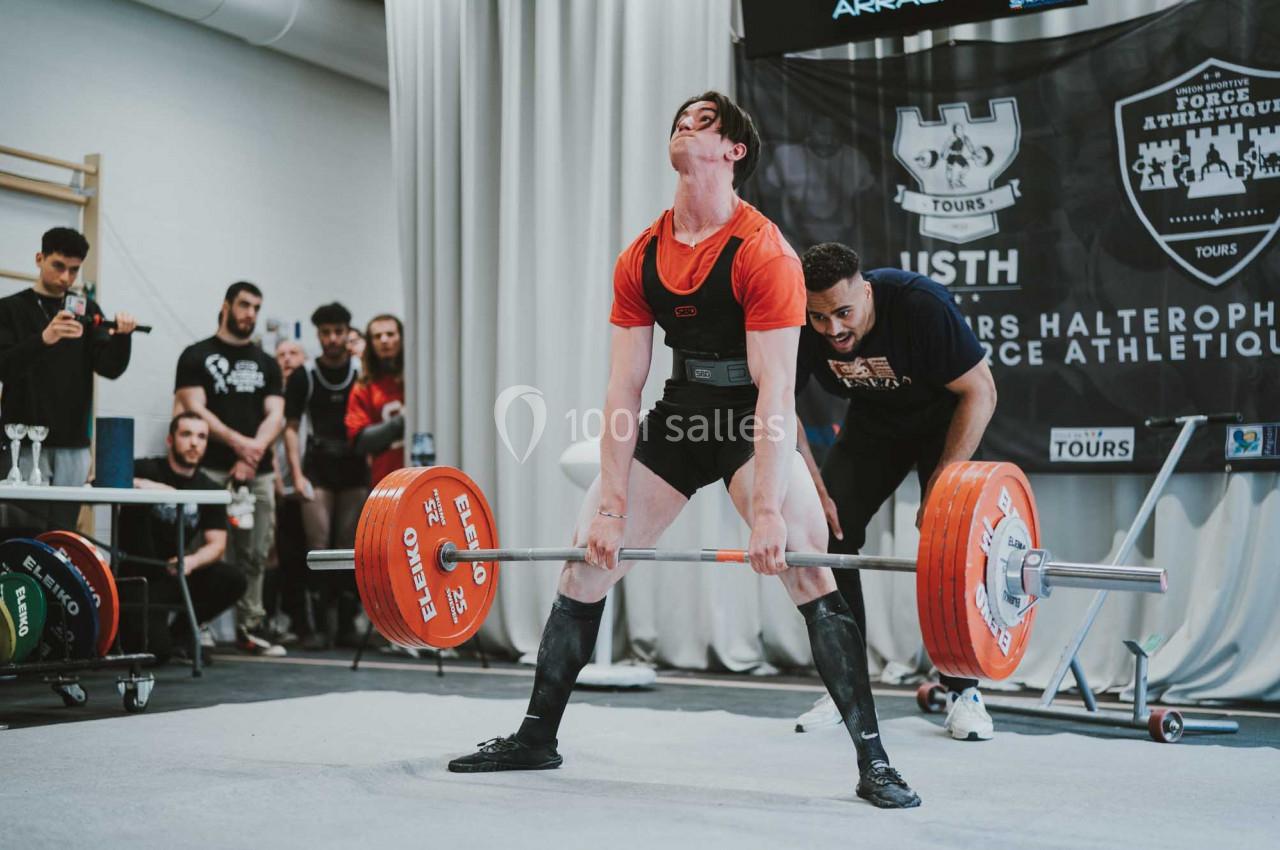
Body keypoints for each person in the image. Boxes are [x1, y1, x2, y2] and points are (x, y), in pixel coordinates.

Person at [447, 91, 919, 808]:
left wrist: (764, 510)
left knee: (803, 563)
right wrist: (608, 506)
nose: (685, 128)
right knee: (583, 563)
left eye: (705, 123)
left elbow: (775, 392)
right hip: (681, 413)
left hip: (747, 420)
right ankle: (536, 736)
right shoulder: (641, 254)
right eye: (680, 120)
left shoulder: (765, 252)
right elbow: (622, 386)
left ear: (734, 152)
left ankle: (874, 761)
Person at [791, 242, 998, 741]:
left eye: (844, 313)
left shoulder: (918, 304)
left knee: (947, 545)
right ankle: (847, 690)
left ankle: (964, 691)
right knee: (826, 530)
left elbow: (981, 390)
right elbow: (777, 401)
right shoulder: (800, 323)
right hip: (874, 422)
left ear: (866, 293)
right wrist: (812, 482)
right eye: (820, 319)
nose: (834, 330)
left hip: (942, 419)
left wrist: (943, 489)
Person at [173, 281, 286, 656]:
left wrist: (251, 454)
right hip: (209, 471)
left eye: (256, 306)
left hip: (258, 472)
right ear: (225, 306)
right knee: (203, 548)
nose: (250, 313)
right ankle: (197, 623)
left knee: (256, 551)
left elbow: (276, 415)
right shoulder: (196, 355)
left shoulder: (267, 363)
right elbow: (193, 409)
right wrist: (242, 446)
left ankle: (249, 626)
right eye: (243, 305)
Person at [0, 227, 136, 530]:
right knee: (21, 532)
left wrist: (123, 338)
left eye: (74, 270)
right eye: (58, 266)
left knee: (62, 534)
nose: (66, 278)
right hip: (21, 441)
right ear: (39, 258)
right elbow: (4, 366)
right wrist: (44, 338)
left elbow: (109, 367)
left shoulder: (87, 311)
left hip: (73, 445)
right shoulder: (9, 309)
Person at [118, 412, 247, 663]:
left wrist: (191, 562)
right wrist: (155, 488)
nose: (194, 443)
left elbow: (217, 544)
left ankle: (181, 634)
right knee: (156, 654)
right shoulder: (147, 468)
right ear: (170, 439)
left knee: (233, 579)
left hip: (175, 572)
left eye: (201, 437)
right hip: (138, 577)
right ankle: (163, 639)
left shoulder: (209, 488)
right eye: (186, 434)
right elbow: (97, 479)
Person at [285, 303, 368, 649]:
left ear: (348, 332)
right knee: (317, 549)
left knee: (351, 549)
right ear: (318, 335)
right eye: (325, 333)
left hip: (354, 466)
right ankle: (317, 626)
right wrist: (296, 474)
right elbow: (289, 428)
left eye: (338, 332)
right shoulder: (305, 374)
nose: (332, 339)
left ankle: (347, 623)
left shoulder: (361, 371)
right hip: (318, 466)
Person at [345, 314, 405, 488]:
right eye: (377, 336)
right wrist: (401, 422)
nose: (384, 340)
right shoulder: (364, 386)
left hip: (424, 472)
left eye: (390, 334)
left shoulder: (417, 379)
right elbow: (359, 440)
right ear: (370, 343)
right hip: (386, 478)